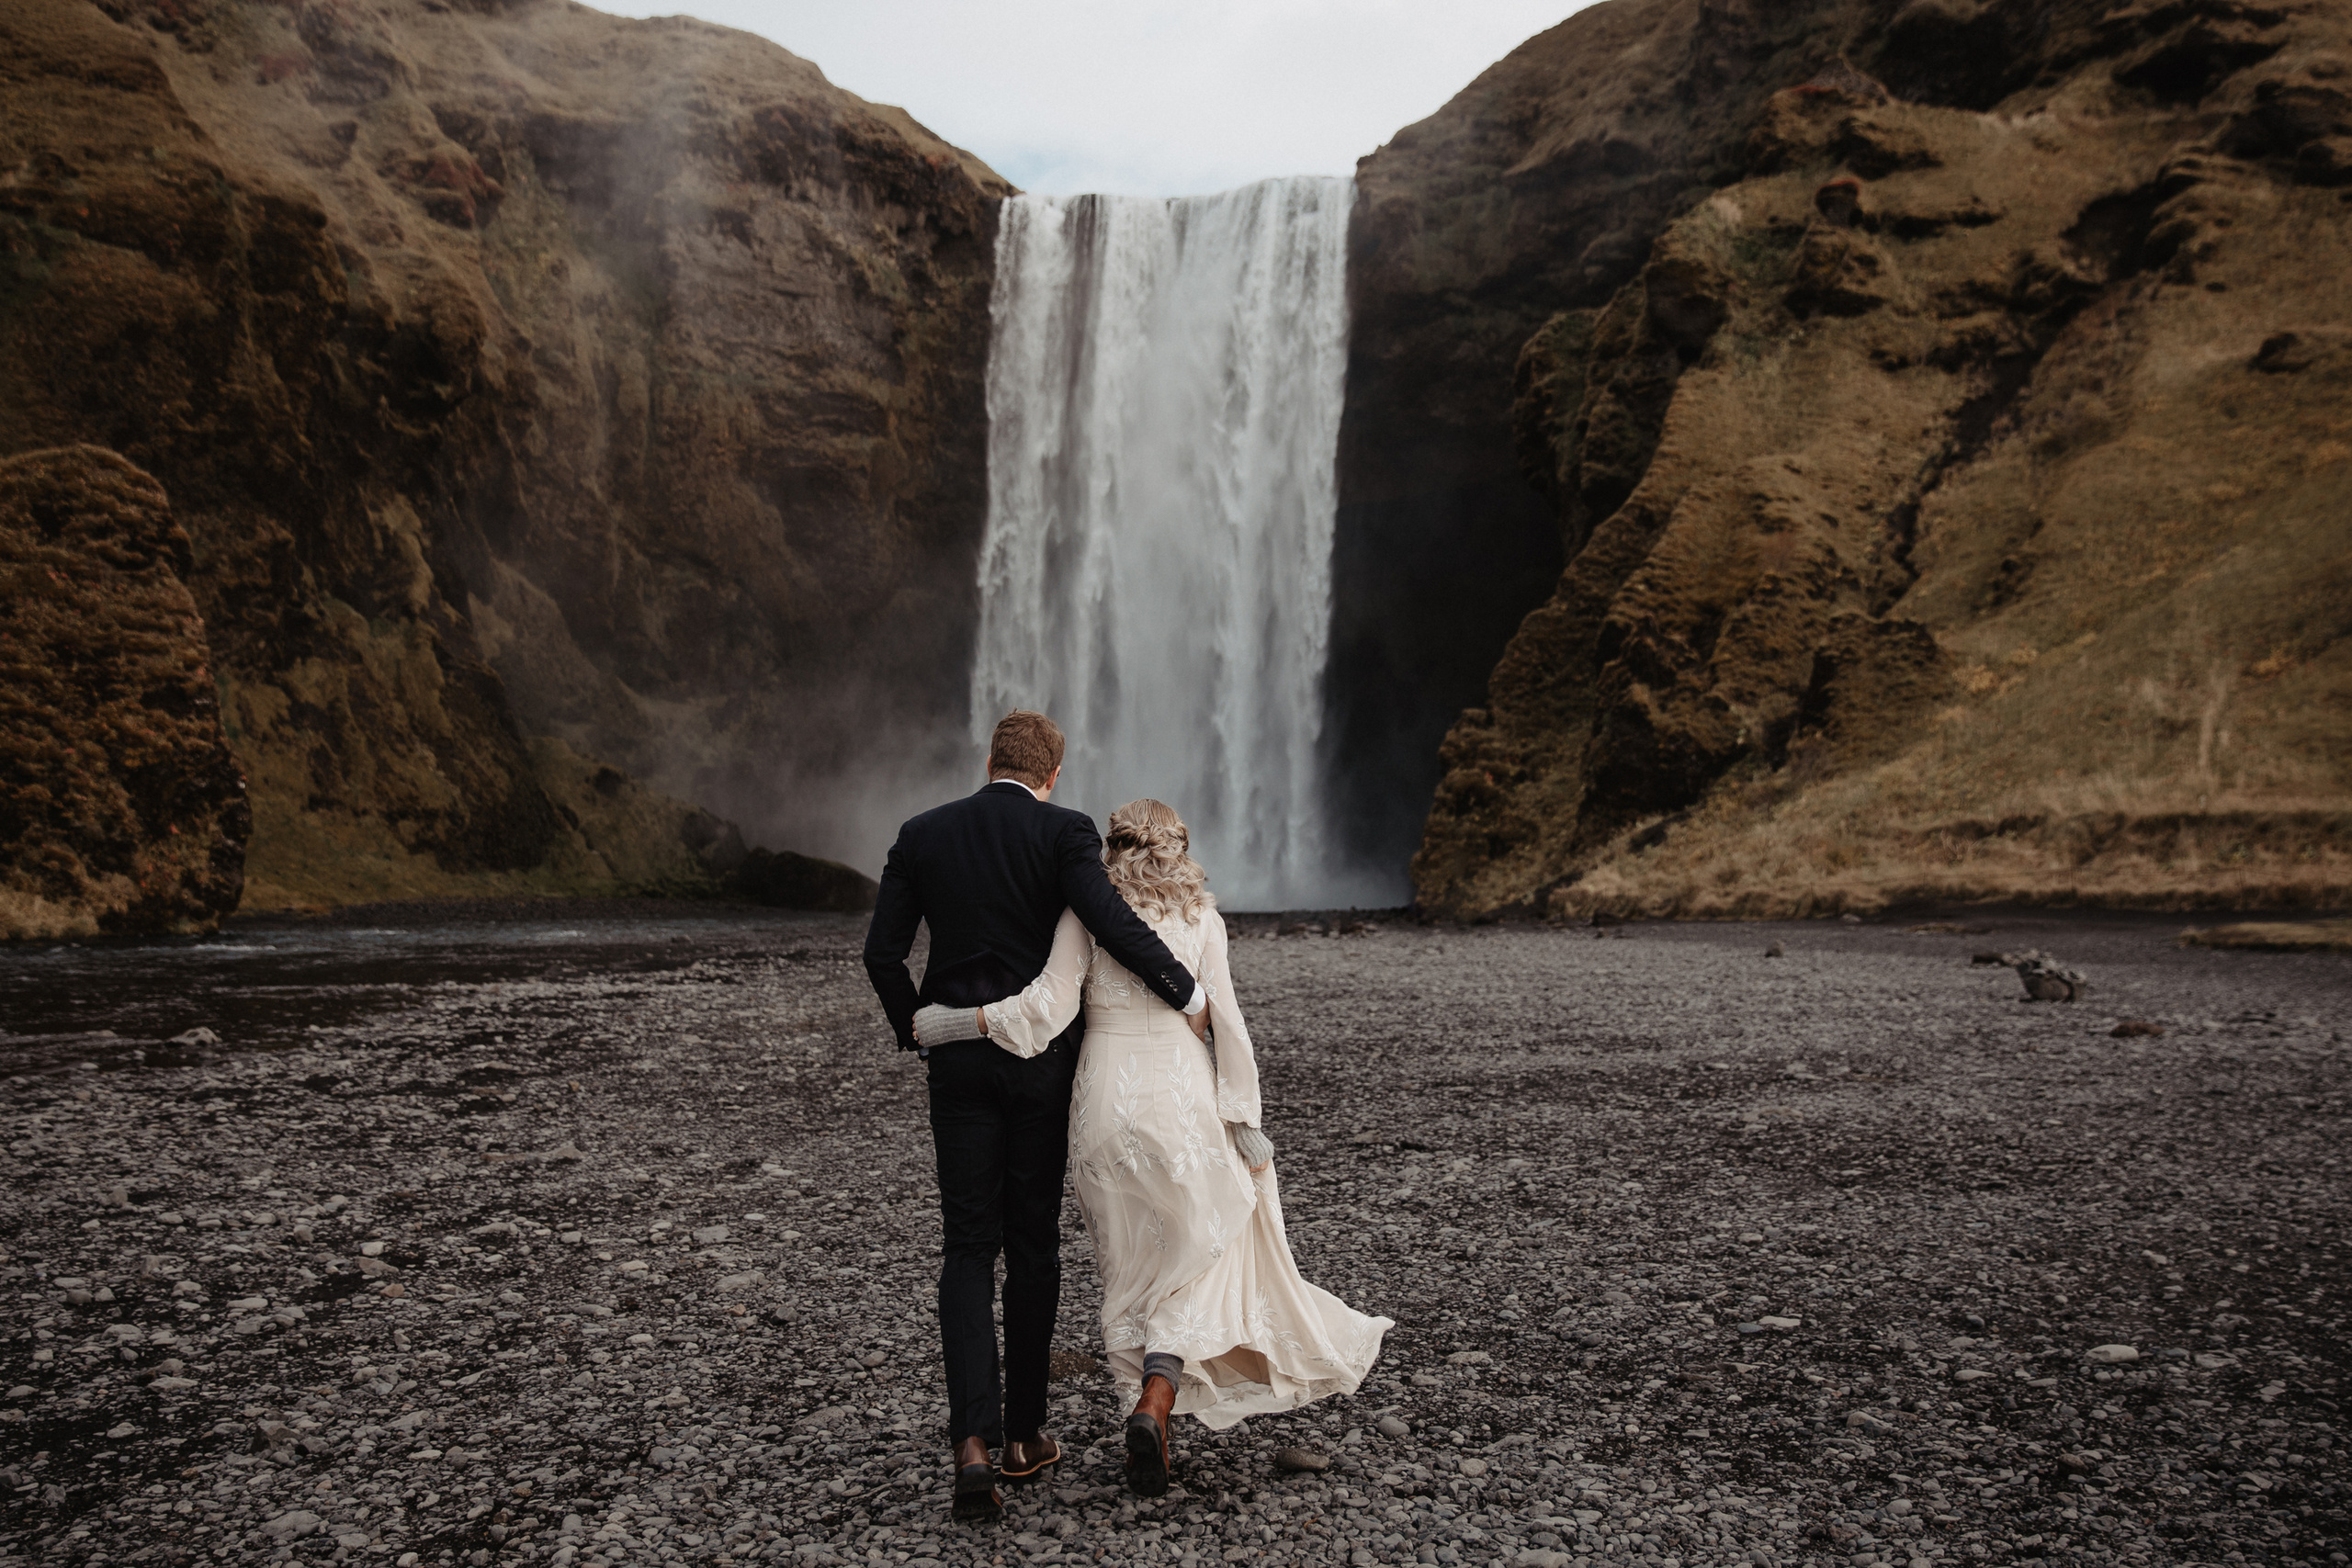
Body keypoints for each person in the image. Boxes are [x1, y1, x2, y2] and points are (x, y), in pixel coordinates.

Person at [969, 798, 1392, 1496]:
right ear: (1180, 846)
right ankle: (1157, 1397)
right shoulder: (1202, 917)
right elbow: (1225, 1017)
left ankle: (1152, 1414)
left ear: (1111, 847)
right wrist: (1244, 1114)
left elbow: (1046, 1009)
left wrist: (964, 1022)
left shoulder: (1084, 912)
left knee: (1130, 1265)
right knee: (1204, 1248)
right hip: (1180, 1102)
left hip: (1103, 1105)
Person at [863, 712, 1211, 1522]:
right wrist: (1187, 992)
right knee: (1032, 1245)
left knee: (965, 1247)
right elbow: (1112, 922)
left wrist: (916, 1025)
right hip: (1042, 1067)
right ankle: (1024, 1437)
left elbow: (881, 954)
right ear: (1052, 773)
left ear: (988, 762)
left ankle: (971, 1446)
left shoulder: (921, 833)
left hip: (957, 1063)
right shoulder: (1064, 832)